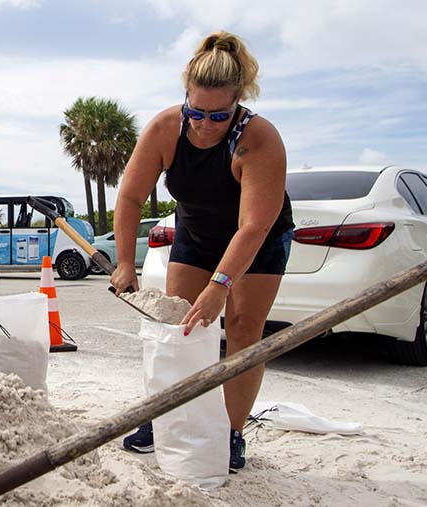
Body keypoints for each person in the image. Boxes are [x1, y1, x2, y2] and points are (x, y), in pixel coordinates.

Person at [109, 31, 294, 471]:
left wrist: (220, 286)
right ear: (184, 98)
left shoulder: (260, 139)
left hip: (259, 239)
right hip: (196, 231)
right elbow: (130, 198)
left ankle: (230, 431)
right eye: (196, 112)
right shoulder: (164, 129)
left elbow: (254, 225)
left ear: (237, 103)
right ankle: (167, 416)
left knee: (244, 330)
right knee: (179, 325)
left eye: (218, 116)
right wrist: (123, 263)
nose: (205, 125)